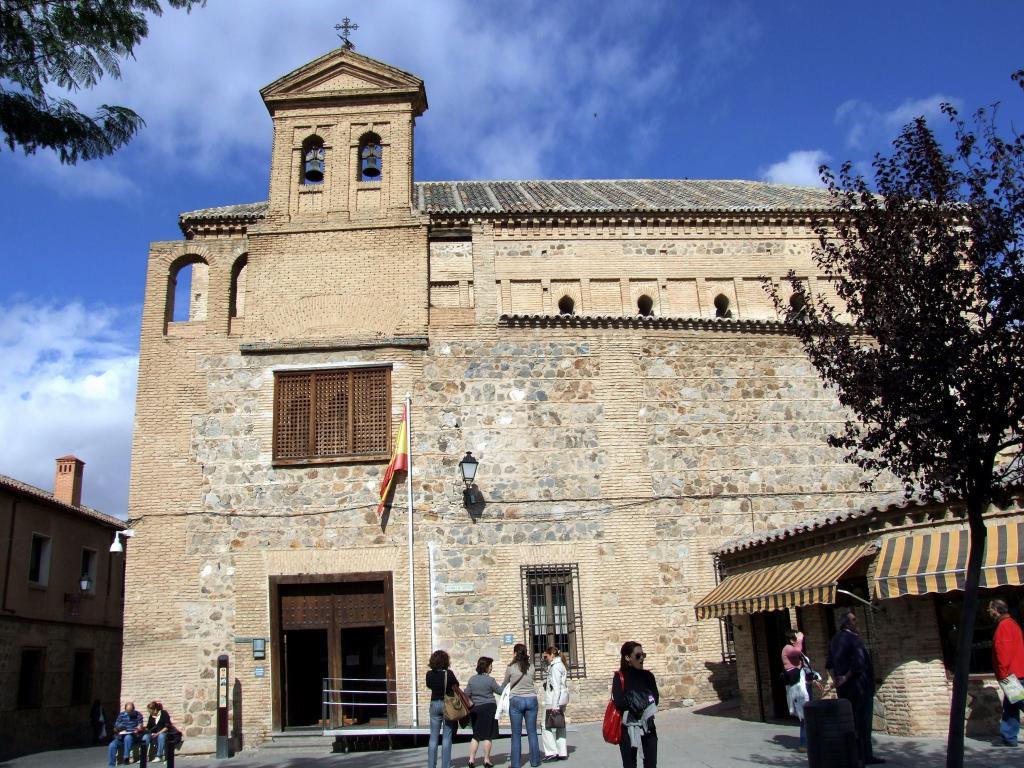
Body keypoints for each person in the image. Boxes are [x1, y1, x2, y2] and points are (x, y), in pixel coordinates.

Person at [826, 610, 884, 765]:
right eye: (853, 620)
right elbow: (859, 664)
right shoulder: (855, 640)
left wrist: (837, 680)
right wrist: (845, 677)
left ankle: (853, 753)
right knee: (863, 722)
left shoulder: (834, 640)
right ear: (847, 624)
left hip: (843, 689)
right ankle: (866, 754)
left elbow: (829, 665)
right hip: (860, 687)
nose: (856, 623)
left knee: (850, 722)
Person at [612, 641, 659, 768]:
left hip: (648, 727)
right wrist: (643, 698)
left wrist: (632, 698)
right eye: (638, 655)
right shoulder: (619, 677)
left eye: (643, 654)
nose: (642, 658)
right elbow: (619, 702)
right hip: (627, 730)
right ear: (627, 658)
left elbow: (655, 699)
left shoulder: (648, 676)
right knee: (629, 765)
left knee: (651, 764)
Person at [989, 598, 1024, 747]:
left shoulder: (1004, 626)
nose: (988, 612)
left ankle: (1009, 737)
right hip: (1016, 673)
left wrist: (1003, 676)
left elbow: (1003, 653)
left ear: (996, 610)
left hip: (1011, 675)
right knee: (1011, 707)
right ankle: (1009, 737)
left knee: (1019, 703)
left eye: (989, 609)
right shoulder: (1013, 624)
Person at [502, 643, 540, 768]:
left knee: (516, 734)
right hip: (531, 699)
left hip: (516, 700)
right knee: (532, 732)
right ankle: (535, 761)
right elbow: (532, 680)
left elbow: (505, 683)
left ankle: (516, 764)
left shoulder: (511, 667)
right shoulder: (532, 667)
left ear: (515, 653)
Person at [782, 629, 817, 753]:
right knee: (804, 714)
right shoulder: (787, 648)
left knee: (808, 714)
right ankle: (804, 743)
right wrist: (800, 638)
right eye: (796, 638)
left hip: (804, 684)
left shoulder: (797, 651)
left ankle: (809, 742)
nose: (799, 640)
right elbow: (796, 651)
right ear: (792, 640)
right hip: (797, 687)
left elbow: (805, 666)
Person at [465, 656, 503, 768]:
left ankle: (471, 760)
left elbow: (467, 694)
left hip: (476, 710)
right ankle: (486, 760)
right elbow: (500, 691)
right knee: (488, 735)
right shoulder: (490, 680)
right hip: (489, 708)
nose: (491, 668)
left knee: (476, 735)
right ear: (486, 667)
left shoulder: (472, 679)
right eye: (490, 666)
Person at [425, 649, 459, 768]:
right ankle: (445, 765)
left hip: (434, 704)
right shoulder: (448, 674)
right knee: (447, 736)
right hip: (447, 705)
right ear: (446, 661)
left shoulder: (429, 674)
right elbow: (456, 685)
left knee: (433, 737)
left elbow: (429, 685)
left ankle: (431, 765)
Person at [541, 646, 570, 762]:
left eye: (546, 656)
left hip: (553, 699)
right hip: (561, 699)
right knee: (560, 724)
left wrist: (554, 706)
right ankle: (562, 751)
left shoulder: (556, 667)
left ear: (552, 655)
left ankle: (551, 752)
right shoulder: (559, 665)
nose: (545, 659)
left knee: (544, 725)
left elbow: (556, 687)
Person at [107, 702, 144, 767]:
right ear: (125, 710)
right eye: (127, 711)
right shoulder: (121, 715)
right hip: (121, 737)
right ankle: (111, 765)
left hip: (133, 736)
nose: (129, 713)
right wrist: (118, 729)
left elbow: (141, 726)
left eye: (130, 711)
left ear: (133, 709)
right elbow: (115, 728)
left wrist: (138, 729)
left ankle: (126, 757)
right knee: (112, 745)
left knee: (128, 737)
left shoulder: (138, 715)